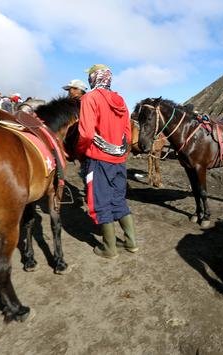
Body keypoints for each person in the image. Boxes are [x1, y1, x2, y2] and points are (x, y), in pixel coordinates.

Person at [76, 64, 137, 259]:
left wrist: (79, 151)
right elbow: (127, 133)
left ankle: (109, 249)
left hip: (98, 159)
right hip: (119, 160)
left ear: (94, 78)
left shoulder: (89, 98)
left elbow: (85, 133)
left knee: (100, 201)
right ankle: (131, 242)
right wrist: (120, 154)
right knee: (118, 199)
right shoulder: (121, 100)